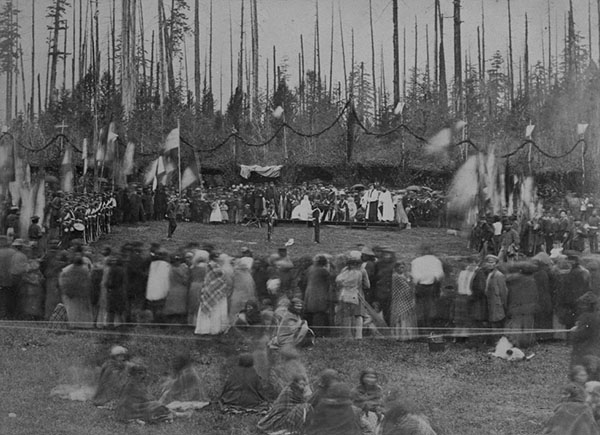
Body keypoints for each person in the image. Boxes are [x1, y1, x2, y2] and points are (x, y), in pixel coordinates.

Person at [336, 251, 370, 339]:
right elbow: (367, 285)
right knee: (359, 315)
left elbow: (338, 282)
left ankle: (347, 335)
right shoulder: (362, 271)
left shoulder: (345, 270)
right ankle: (359, 336)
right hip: (358, 295)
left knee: (347, 315)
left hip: (345, 295)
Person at [195, 251, 230, 335]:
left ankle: (208, 329)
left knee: (213, 312)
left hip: (214, 290)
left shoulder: (212, 265)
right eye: (216, 257)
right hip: (215, 291)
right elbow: (221, 275)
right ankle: (210, 330)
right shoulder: (213, 265)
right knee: (215, 312)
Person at [411, 247, 445, 329]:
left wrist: (416, 282)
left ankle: (421, 324)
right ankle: (428, 324)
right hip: (431, 286)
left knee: (420, 305)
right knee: (430, 305)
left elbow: (415, 276)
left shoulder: (416, 261)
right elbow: (439, 275)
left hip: (420, 286)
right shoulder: (436, 261)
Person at [58, 252, 94, 329]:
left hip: (81, 293)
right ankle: (74, 325)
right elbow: (63, 281)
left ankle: (82, 325)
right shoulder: (67, 270)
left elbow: (88, 281)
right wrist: (67, 290)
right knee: (72, 309)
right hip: (71, 293)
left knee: (80, 310)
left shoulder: (84, 270)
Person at [303, 254, 333, 337]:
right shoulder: (323, 271)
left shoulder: (310, 269)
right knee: (319, 316)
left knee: (311, 316)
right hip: (319, 296)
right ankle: (318, 334)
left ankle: (310, 334)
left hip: (309, 295)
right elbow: (330, 281)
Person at [482, 255, 508, 340]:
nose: (490, 264)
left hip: (497, 303)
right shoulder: (489, 274)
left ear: (496, 264)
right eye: (488, 262)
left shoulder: (499, 275)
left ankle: (498, 342)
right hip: (490, 302)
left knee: (497, 322)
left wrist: (504, 304)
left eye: (492, 263)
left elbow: (503, 291)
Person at [571, 292, 600, 367]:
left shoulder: (585, 317)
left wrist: (575, 330)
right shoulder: (598, 316)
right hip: (596, 350)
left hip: (585, 351)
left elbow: (580, 335)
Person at [390, 261, 417, 341]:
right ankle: (401, 336)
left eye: (403, 267)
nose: (401, 269)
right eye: (400, 267)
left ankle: (406, 336)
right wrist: (410, 282)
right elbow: (407, 287)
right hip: (400, 299)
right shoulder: (396, 277)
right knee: (401, 317)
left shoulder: (402, 276)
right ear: (395, 268)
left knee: (404, 317)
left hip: (404, 299)